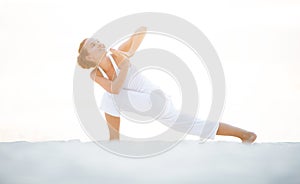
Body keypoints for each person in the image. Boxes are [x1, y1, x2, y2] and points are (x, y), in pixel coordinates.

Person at [77, 26, 257, 143]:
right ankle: (245, 135)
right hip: (148, 103)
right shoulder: (96, 74)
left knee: (109, 98)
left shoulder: (117, 54)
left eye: (96, 40)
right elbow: (115, 88)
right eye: (93, 45)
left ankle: (114, 142)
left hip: (156, 99)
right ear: (89, 57)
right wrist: (125, 65)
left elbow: (141, 29)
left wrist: (129, 53)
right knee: (195, 125)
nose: (98, 42)